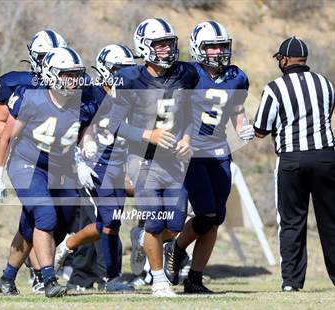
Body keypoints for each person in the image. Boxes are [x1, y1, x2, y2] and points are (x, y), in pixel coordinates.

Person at [107, 18, 198, 297]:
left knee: (174, 222)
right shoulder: (130, 79)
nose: (166, 49)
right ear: (144, 47)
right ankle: (159, 281)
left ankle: (143, 238)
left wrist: (186, 138)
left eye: (169, 43)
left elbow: (190, 114)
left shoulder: (186, 73)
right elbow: (114, 124)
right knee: (156, 222)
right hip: (142, 158)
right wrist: (148, 134)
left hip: (172, 159)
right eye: (159, 44)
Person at [163, 20, 254, 294]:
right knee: (206, 214)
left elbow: (237, 111)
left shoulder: (236, 76)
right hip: (191, 152)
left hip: (220, 152)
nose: (217, 51)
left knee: (216, 219)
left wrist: (243, 126)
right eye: (211, 46)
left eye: (221, 46)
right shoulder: (187, 73)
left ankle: (195, 279)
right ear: (197, 47)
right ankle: (176, 248)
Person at [0, 47, 84, 298]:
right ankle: (48, 280)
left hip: (58, 168)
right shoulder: (31, 97)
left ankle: (7, 278)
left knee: (36, 224)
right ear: (52, 74)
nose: (73, 80)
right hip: (26, 162)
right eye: (67, 75)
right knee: (45, 215)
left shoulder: (83, 97)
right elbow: (7, 136)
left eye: (76, 74)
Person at [253, 36, 335, 292]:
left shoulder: (274, 88)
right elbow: (326, 114)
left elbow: (261, 129)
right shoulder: (325, 83)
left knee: (291, 222)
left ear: (285, 59)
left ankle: (291, 282)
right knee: (331, 220)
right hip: (326, 157)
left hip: (292, 160)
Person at [55, 44, 136, 292]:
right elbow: (71, 131)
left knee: (110, 223)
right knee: (109, 223)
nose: (125, 75)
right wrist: (79, 162)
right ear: (105, 70)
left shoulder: (133, 95)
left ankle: (69, 244)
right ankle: (111, 279)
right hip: (91, 166)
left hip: (118, 165)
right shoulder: (90, 94)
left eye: (127, 70)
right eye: (118, 69)